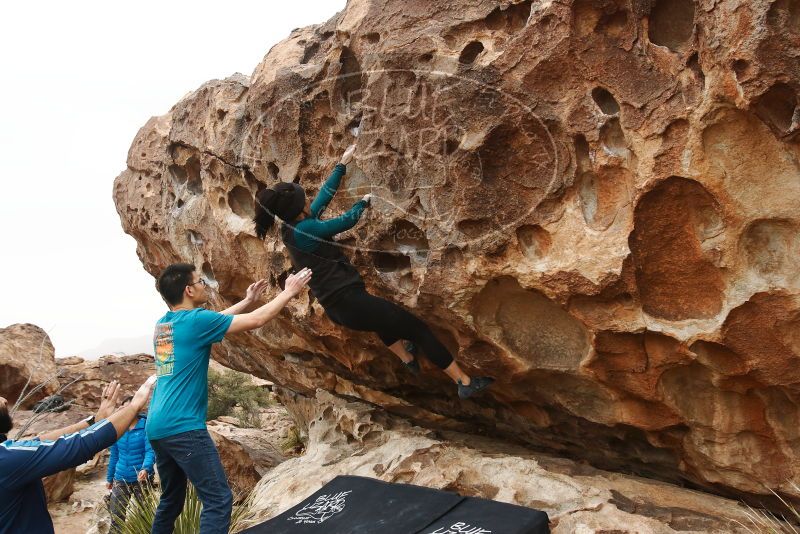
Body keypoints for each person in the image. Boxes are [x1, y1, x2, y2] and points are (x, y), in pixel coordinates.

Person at [253, 143, 493, 399]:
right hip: (350, 302)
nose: (309, 200)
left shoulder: (291, 228)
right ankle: (464, 381)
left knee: (380, 318)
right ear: (298, 208)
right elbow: (345, 221)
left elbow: (322, 200)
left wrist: (341, 166)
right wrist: (362, 203)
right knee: (418, 329)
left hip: (341, 309)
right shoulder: (306, 230)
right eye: (304, 199)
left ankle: (407, 358)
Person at [148, 262, 311, 534]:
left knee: (171, 500)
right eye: (200, 282)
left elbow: (214, 321)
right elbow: (257, 321)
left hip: (157, 426)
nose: (204, 285)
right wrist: (288, 292)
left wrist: (247, 301)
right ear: (189, 290)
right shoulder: (196, 322)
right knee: (218, 499)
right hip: (184, 427)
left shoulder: (164, 325)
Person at [0, 376, 156, 534]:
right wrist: (134, 406)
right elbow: (80, 446)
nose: (4, 400)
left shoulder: (8, 453)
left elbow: (38, 442)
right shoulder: (7, 459)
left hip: (138, 478)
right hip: (122, 477)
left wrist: (94, 421)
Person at [106, 395, 155, 533]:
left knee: (145, 515)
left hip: (142, 478)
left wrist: (146, 468)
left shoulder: (146, 426)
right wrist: (110, 478)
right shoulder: (118, 429)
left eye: (131, 407)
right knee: (116, 515)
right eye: (125, 407)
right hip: (120, 477)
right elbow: (114, 455)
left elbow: (150, 451)